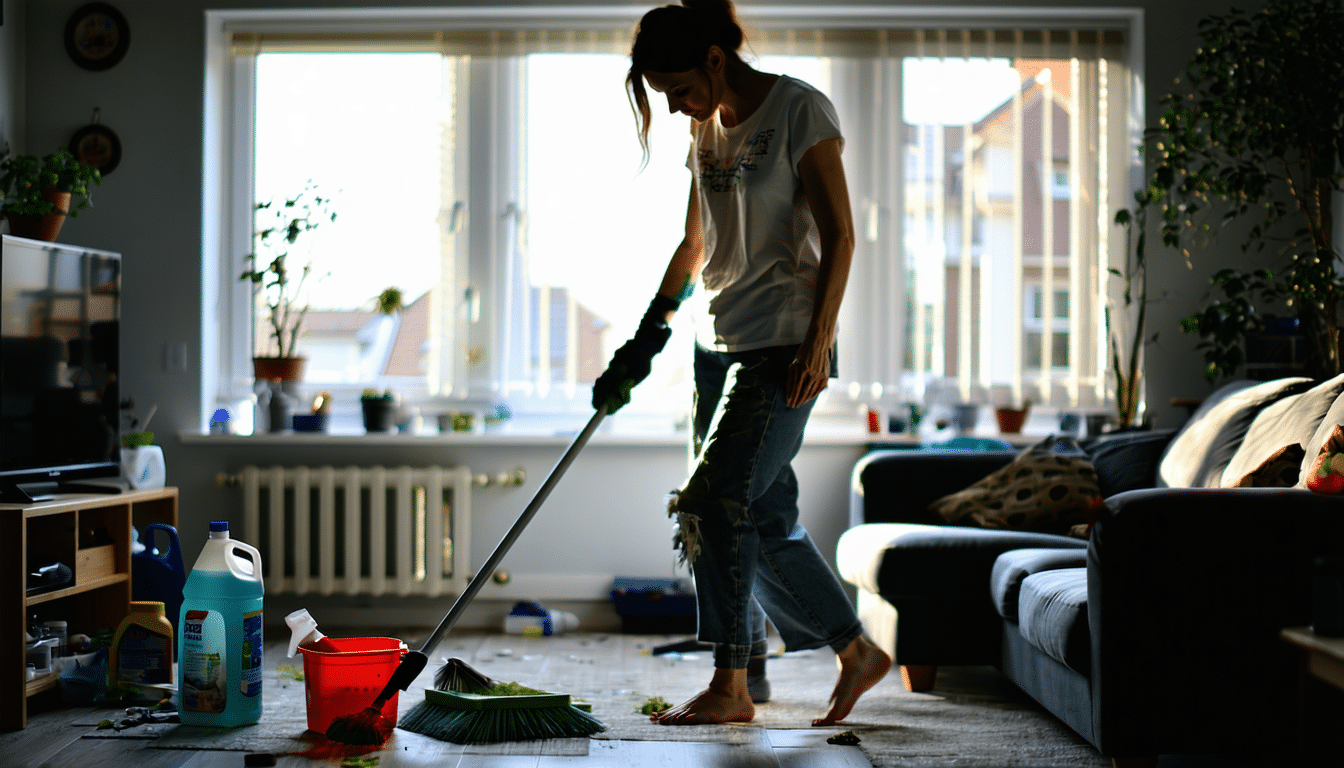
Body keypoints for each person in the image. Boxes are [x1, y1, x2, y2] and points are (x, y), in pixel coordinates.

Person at [592, 0, 891, 727]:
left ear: (715, 60)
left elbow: (842, 234)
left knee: (708, 504)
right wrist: (645, 336)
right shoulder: (704, 126)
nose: (672, 107)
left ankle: (728, 684)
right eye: (661, 94)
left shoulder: (799, 110)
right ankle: (849, 653)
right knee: (762, 514)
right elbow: (695, 247)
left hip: (784, 341)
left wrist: (820, 339)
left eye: (678, 88)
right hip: (715, 343)